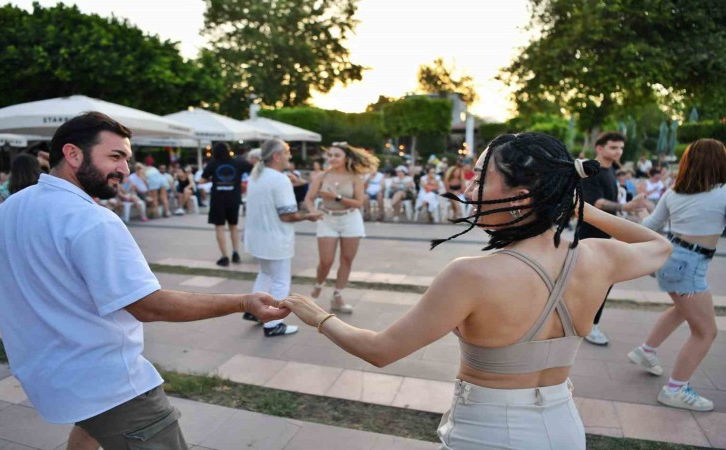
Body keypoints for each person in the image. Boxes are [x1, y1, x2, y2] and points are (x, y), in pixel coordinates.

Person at [283, 132, 672, 450]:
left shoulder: (472, 275)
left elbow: (381, 350)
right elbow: (659, 247)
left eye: (480, 177)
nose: (468, 189)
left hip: (489, 432)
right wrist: (576, 206)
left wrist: (318, 316)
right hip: (564, 427)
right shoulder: (596, 257)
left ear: (522, 195)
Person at [0, 112, 288, 450]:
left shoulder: (6, 211)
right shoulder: (93, 221)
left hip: (48, 374)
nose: (125, 169)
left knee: (90, 428)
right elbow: (148, 306)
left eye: (127, 159)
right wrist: (242, 301)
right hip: (111, 385)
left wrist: (38, 273)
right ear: (73, 154)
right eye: (115, 156)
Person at [627, 138, 726, 412]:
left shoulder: (674, 193)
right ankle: (675, 389)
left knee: (683, 310)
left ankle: (646, 351)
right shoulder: (723, 193)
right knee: (706, 331)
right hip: (691, 266)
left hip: (670, 259)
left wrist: (644, 207)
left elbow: (650, 226)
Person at [242, 139, 323, 336]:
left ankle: (254, 311)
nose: (290, 156)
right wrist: (308, 216)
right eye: (287, 153)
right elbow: (287, 215)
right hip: (275, 239)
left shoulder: (256, 176)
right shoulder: (279, 179)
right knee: (280, 281)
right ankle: (273, 324)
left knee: (265, 274)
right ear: (277, 156)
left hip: (257, 237)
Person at [577, 131, 647, 345]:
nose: (618, 152)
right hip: (590, 237)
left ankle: (587, 324)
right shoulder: (591, 171)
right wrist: (625, 207)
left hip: (605, 236)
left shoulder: (611, 170)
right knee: (598, 283)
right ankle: (588, 326)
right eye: (613, 147)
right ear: (599, 148)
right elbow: (595, 202)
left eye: (621, 148)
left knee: (603, 283)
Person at [304, 142, 378, 312]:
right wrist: (312, 211)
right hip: (326, 219)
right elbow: (309, 198)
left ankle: (337, 296)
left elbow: (359, 203)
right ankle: (316, 290)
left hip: (350, 219)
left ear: (345, 158)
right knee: (326, 261)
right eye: (330, 155)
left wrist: (335, 197)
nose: (332, 158)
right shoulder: (321, 177)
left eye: (337, 155)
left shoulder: (354, 177)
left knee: (346, 259)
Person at [201, 142, 253, 266]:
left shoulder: (213, 163)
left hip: (218, 200)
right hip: (234, 198)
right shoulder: (238, 162)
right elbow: (253, 169)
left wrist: (213, 178)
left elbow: (203, 179)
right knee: (233, 226)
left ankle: (224, 257)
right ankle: (236, 253)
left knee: (219, 227)